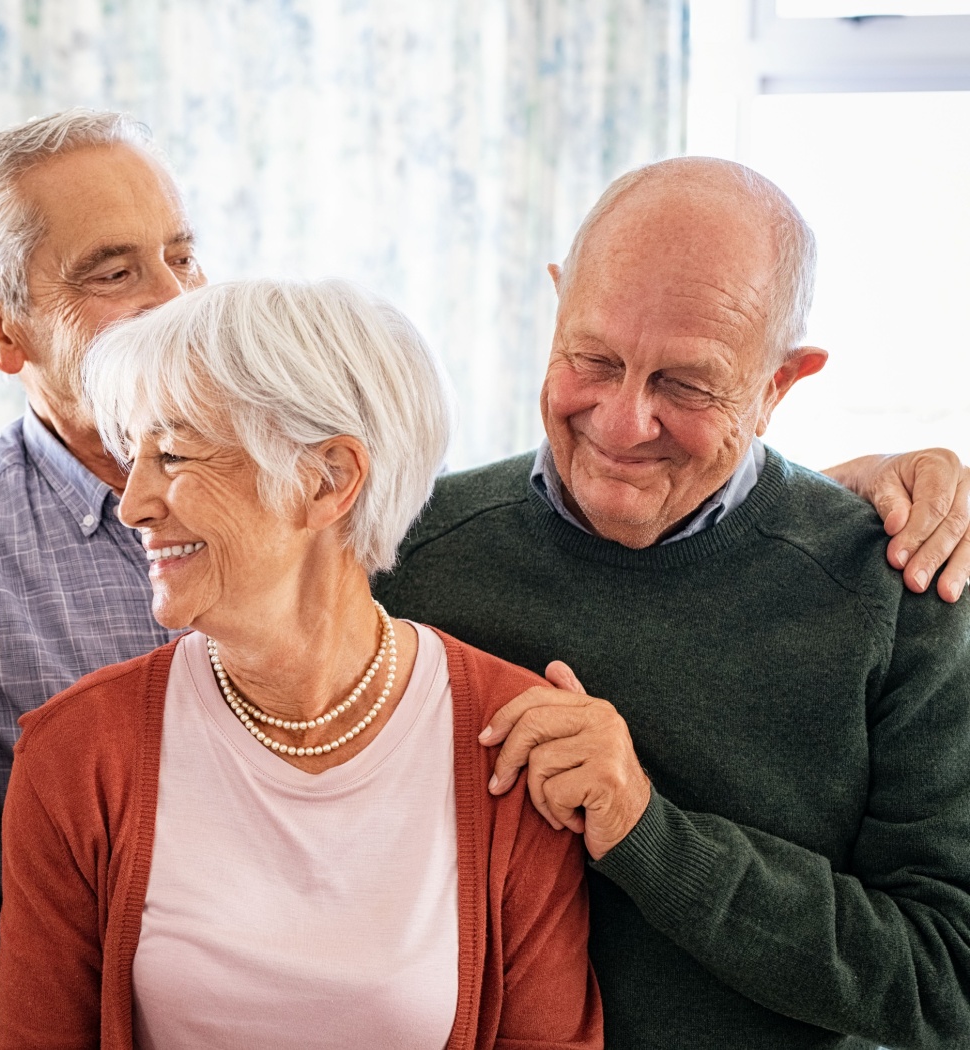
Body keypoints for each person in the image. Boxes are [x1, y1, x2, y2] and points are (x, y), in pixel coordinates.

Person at [0, 111, 970, 904]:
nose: (178, 295)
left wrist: (854, 489)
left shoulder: (380, 532)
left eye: (183, 252)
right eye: (114, 273)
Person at [374, 158, 970, 1048]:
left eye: (685, 386)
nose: (621, 424)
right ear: (554, 306)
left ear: (779, 386)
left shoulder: (902, 592)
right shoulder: (405, 554)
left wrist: (647, 833)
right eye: (594, 359)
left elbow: (944, 983)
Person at [0, 278, 600, 1049]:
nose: (133, 502)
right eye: (133, 456)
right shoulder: (78, 753)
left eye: (173, 453)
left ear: (329, 480)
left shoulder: (511, 742)